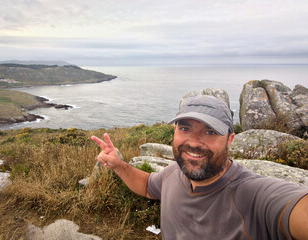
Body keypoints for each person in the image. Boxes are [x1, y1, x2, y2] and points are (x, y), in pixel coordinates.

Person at [91, 95, 308, 240]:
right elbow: (148, 185)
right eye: (185, 128)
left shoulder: (251, 195)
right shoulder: (173, 173)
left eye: (210, 131)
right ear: (174, 132)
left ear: (230, 139)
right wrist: (119, 165)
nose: (194, 142)